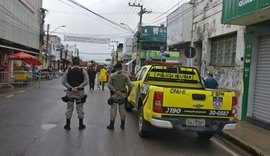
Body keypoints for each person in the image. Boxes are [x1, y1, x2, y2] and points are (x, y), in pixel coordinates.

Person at [61, 57, 89, 130]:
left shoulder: (68, 70)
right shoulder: (83, 71)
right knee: (80, 108)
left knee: (69, 108)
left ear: (72, 62)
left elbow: (63, 81)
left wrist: (70, 88)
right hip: (80, 93)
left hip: (70, 92)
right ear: (79, 63)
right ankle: (81, 125)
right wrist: (78, 88)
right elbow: (86, 81)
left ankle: (67, 125)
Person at [106, 63, 132, 130]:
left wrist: (115, 91)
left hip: (114, 95)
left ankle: (112, 125)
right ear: (121, 67)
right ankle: (122, 125)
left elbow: (109, 85)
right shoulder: (125, 76)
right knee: (122, 110)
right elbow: (130, 86)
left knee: (113, 110)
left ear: (116, 68)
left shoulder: (112, 75)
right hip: (122, 95)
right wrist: (127, 93)